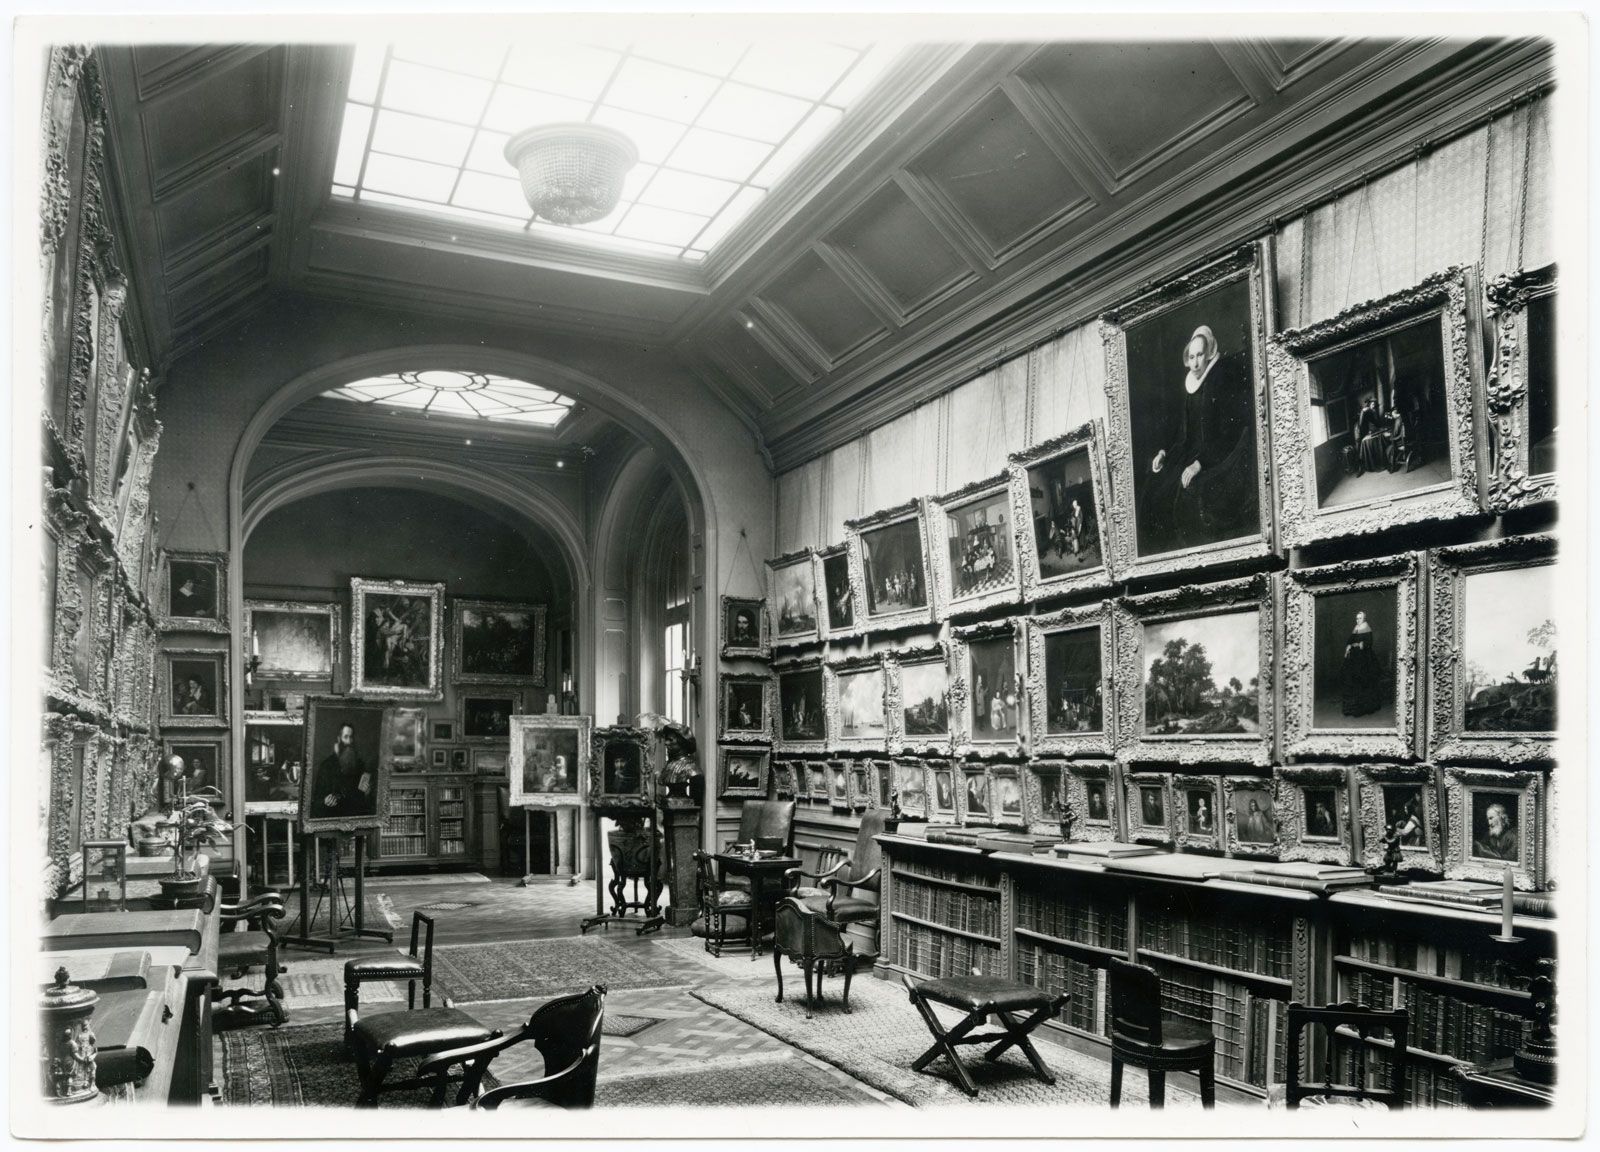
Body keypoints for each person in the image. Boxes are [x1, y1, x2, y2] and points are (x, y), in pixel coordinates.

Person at [1141, 324, 1256, 552]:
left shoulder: (1220, 380)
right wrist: (1164, 451)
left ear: (1210, 353)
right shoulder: (1190, 383)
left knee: (1182, 494)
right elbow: (1181, 428)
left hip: (1213, 453)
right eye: (1191, 356)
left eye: (1200, 355)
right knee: (1154, 486)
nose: (1194, 363)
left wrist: (1199, 463)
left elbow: (1229, 434)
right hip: (1186, 449)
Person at [311, 722, 372, 819]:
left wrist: (367, 793)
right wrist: (325, 800)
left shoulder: (360, 764)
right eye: (346, 737)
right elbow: (317, 801)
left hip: (354, 818)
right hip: (332, 817)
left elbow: (363, 801)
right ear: (339, 739)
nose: (349, 741)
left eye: (351, 737)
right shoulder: (326, 765)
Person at [1341, 610, 1385, 717]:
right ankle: (1351, 709)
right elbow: (1349, 640)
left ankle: (1363, 708)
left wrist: (1359, 644)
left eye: (1359, 618)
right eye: (1356, 618)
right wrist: (1349, 645)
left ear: (1364, 619)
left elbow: (1369, 643)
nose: (1358, 620)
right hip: (1354, 658)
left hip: (1365, 659)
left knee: (1364, 681)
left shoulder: (1367, 629)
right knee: (1351, 681)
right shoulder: (1355, 628)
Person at [1355, 396, 1386, 473]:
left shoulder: (1370, 410)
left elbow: (1374, 422)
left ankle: (1365, 466)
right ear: (1369, 404)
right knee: (1359, 446)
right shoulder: (1367, 411)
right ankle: (1360, 468)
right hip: (1359, 430)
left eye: (1374, 404)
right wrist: (1380, 427)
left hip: (1363, 429)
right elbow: (1369, 423)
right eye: (1372, 404)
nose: (1374, 405)